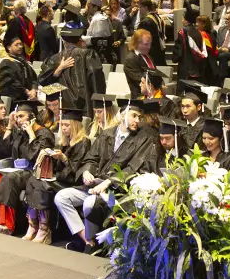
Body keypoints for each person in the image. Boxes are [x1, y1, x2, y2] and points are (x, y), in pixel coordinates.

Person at [55, 98, 157, 252]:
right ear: (122, 115)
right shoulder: (106, 134)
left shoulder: (143, 139)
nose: (137, 120)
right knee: (61, 197)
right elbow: (92, 158)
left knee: (90, 203)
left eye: (139, 117)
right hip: (93, 185)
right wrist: (87, 172)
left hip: (115, 189)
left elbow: (133, 168)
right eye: (134, 116)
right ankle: (88, 241)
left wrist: (109, 182)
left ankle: (90, 246)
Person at [0, 101, 56, 235]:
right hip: (19, 170)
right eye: (17, 117)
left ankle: (6, 224)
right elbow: (4, 151)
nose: (18, 120)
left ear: (32, 117)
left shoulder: (45, 133)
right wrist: (9, 127)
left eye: (21, 116)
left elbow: (37, 157)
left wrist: (31, 134)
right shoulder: (20, 133)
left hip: (34, 172)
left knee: (9, 178)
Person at [22, 109, 91, 245]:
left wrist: (64, 158)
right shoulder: (64, 143)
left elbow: (77, 170)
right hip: (59, 178)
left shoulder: (83, 142)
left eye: (67, 125)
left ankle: (44, 229)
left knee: (43, 185)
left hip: (72, 182)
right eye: (62, 125)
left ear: (75, 125)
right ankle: (33, 225)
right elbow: (56, 167)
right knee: (32, 180)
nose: (64, 128)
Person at [38, 28, 106, 116]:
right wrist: (99, 103)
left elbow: (42, 80)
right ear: (80, 41)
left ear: (64, 43)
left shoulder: (55, 58)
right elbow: (97, 80)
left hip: (63, 105)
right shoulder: (88, 54)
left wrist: (57, 71)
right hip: (85, 103)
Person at [0, 32, 37, 102]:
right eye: (16, 45)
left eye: (21, 44)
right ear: (9, 47)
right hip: (15, 100)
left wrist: (34, 89)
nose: (20, 46)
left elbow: (34, 78)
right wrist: (25, 91)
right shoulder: (5, 63)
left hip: (29, 98)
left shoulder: (24, 62)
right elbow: (9, 83)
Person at [173, 8, 206, 82]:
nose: (182, 21)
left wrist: (175, 58)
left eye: (183, 19)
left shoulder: (183, 33)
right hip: (197, 66)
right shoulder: (198, 32)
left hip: (185, 66)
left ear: (187, 21)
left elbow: (179, 51)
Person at [122, 29, 156, 98]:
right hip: (140, 97)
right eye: (146, 44)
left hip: (154, 94)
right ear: (137, 43)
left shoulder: (148, 57)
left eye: (150, 43)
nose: (149, 47)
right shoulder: (130, 59)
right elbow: (141, 80)